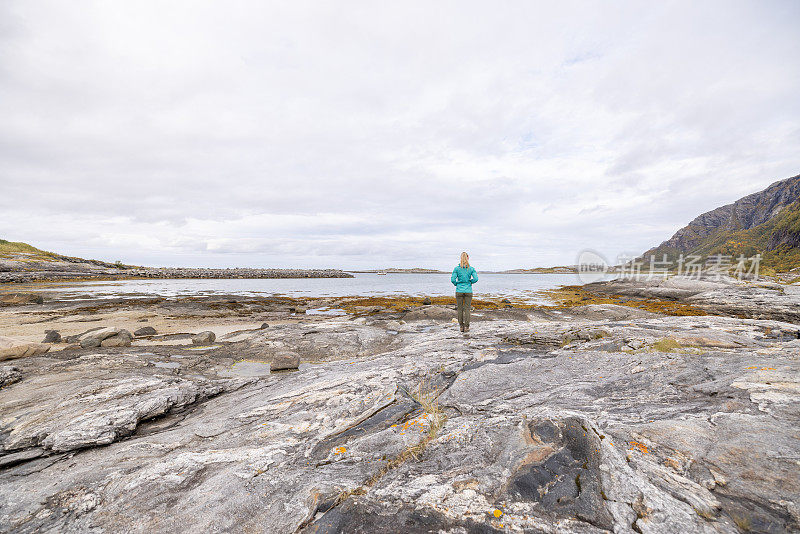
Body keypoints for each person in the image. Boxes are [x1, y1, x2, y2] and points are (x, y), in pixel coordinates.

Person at [451, 252, 478, 332]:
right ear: (468, 257)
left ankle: (461, 327)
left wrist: (457, 284)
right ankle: (467, 327)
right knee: (467, 309)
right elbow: (476, 279)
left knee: (459, 309)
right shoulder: (471, 269)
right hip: (468, 291)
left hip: (459, 290)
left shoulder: (456, 268)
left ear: (460, 258)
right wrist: (470, 282)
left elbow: (452, 280)